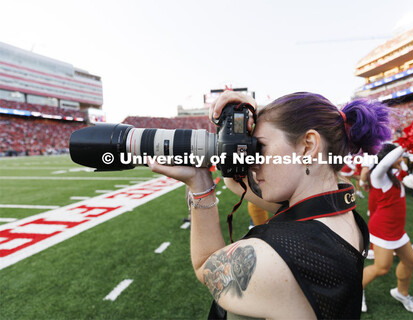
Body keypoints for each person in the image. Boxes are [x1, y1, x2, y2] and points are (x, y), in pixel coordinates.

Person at [149, 91, 391, 319]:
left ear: (308, 146)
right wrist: (239, 127)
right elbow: (236, 182)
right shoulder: (336, 209)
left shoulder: (274, 260)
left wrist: (200, 186)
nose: (252, 163)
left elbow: (205, 266)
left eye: (260, 148)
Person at [362, 143, 413, 314]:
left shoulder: (393, 175)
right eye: (399, 157)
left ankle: (401, 293)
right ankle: (357, 291)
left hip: (397, 229)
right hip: (382, 229)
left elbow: (394, 164)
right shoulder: (378, 176)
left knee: (411, 261)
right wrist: (406, 143)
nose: (402, 160)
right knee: (382, 268)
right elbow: (385, 163)